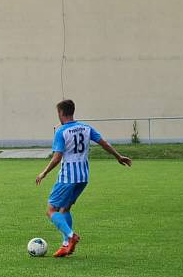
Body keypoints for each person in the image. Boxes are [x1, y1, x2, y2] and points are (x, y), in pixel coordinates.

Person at [35, 99, 131, 257]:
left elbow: (57, 157)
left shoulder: (61, 131)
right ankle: (66, 244)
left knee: (51, 210)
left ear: (61, 113)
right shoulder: (86, 127)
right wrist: (118, 157)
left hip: (68, 177)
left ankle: (71, 236)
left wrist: (44, 172)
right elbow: (104, 143)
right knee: (65, 208)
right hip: (83, 176)